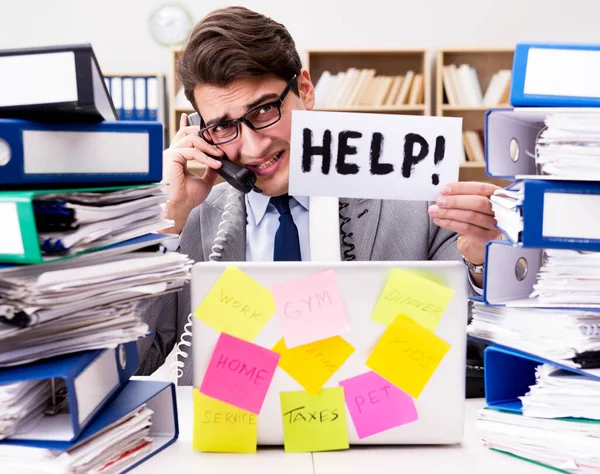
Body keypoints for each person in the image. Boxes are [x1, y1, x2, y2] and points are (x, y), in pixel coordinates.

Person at [137, 6, 501, 385]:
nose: (253, 147)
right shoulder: (189, 222)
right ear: (200, 134)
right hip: (234, 437)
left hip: (381, 435)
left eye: (263, 110)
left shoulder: (416, 204)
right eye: (223, 126)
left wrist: (480, 261)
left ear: (305, 91)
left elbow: (479, 343)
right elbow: (126, 362)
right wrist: (166, 220)